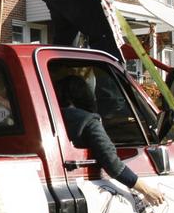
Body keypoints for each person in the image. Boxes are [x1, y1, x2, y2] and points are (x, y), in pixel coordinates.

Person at [55, 76, 165, 205]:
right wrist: (146, 190)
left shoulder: (53, 117)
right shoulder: (88, 121)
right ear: (85, 95)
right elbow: (112, 163)